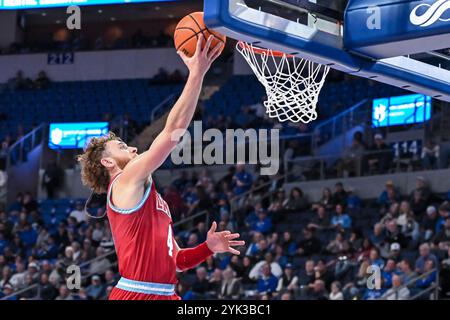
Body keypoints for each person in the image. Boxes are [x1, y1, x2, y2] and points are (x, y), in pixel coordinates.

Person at [77, 36, 243, 301]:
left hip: (164, 294)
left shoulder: (151, 198)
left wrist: (207, 248)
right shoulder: (123, 180)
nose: (132, 149)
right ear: (107, 162)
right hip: (136, 294)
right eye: (122, 147)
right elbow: (171, 134)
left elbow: (177, 261)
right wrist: (197, 73)